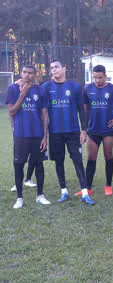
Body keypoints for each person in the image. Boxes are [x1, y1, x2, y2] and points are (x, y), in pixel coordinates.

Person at [41, 59, 95, 205]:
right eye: (51, 67)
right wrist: (44, 135)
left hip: (72, 132)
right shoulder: (46, 87)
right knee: (59, 161)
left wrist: (84, 130)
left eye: (57, 67)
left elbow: (81, 110)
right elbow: (44, 113)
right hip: (55, 133)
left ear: (64, 68)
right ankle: (64, 191)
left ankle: (84, 193)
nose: (54, 70)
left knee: (77, 160)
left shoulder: (75, 87)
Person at [6, 65, 50, 208]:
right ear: (21, 73)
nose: (27, 75)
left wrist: (45, 137)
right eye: (24, 72)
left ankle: (40, 195)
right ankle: (19, 197)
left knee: (39, 164)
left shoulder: (40, 90)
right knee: (18, 165)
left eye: (30, 73)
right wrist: (22, 94)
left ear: (35, 75)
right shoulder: (13, 88)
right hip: (21, 135)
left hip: (37, 135)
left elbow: (44, 115)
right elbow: (11, 111)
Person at [79, 65, 113, 197]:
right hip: (93, 129)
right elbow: (85, 110)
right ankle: (88, 187)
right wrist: (85, 129)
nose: (98, 80)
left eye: (100, 77)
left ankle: (108, 186)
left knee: (108, 155)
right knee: (91, 157)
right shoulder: (87, 88)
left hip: (108, 129)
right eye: (95, 77)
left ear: (105, 75)